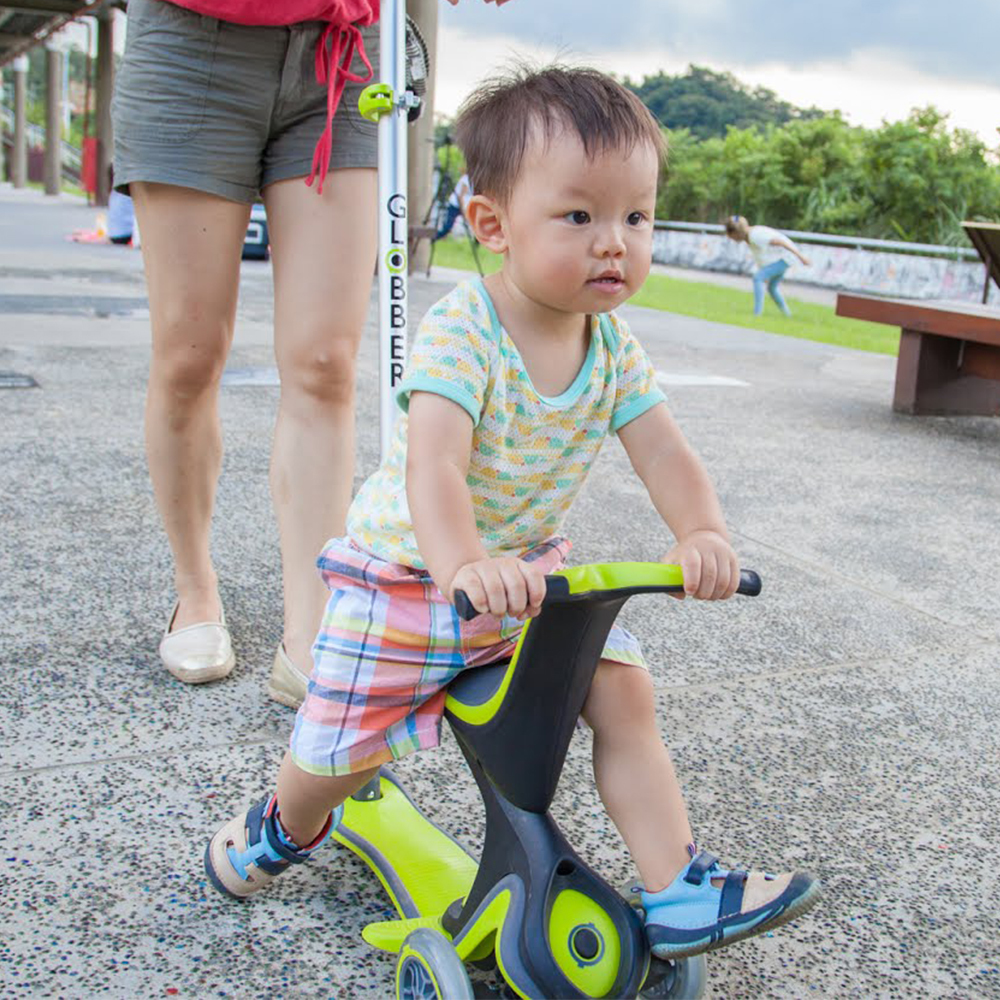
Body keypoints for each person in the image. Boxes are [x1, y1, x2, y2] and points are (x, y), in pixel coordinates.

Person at [205, 66, 820, 961]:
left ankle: (676, 886)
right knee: (332, 757)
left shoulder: (611, 347)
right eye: (580, 216)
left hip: (528, 577)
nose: (616, 243)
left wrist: (703, 534)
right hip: (414, 586)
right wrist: (460, 567)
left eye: (636, 218)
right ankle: (279, 829)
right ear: (493, 225)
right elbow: (436, 466)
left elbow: (665, 452)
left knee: (623, 689)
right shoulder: (466, 331)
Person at [111, 0, 512, 691]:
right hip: (190, 41)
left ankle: (311, 622)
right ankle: (196, 590)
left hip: (348, 47)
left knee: (326, 363)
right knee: (189, 355)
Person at [724, 215, 811, 317]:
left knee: (758, 278)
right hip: (782, 259)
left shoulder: (756, 235)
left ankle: (757, 314)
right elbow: (760, 255)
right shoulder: (749, 236)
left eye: (730, 235)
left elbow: (781, 242)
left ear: (735, 233)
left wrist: (801, 257)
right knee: (771, 288)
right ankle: (788, 315)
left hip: (785, 258)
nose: (731, 238)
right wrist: (762, 269)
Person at [432, 170, 473, 240]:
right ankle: (433, 238)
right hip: (455, 205)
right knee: (448, 227)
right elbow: (461, 197)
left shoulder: (472, 180)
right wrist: (463, 211)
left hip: (463, 206)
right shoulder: (466, 179)